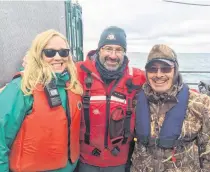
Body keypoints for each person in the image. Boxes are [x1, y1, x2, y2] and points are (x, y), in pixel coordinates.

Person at [0, 29, 83, 172]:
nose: (58, 57)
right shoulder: (21, 88)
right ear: (38, 54)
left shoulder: (73, 87)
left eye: (64, 52)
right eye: (50, 52)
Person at [130, 44, 210, 172]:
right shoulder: (135, 101)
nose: (159, 74)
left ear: (175, 71)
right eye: (152, 69)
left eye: (166, 69)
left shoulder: (198, 105)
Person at [76, 26, 146, 172]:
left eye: (119, 50)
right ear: (99, 49)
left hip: (118, 161)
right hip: (86, 161)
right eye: (108, 48)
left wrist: (200, 97)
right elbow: (53, 72)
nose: (113, 55)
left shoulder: (136, 77)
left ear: (124, 52)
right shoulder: (78, 71)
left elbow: (163, 82)